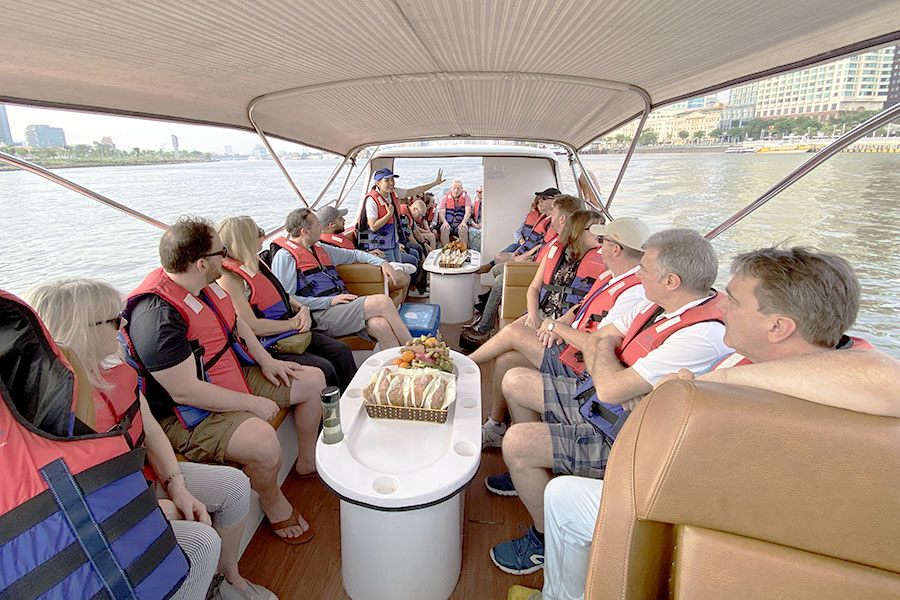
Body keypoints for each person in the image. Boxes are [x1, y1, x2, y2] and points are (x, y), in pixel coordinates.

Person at [537, 246, 900, 600]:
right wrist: (674, 394)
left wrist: (697, 387)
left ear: (778, 326)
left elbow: (888, 379)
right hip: (695, 489)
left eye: (735, 300)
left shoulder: (849, 381)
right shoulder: (748, 359)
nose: (721, 305)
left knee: (564, 498)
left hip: (727, 523)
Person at [486, 229, 730, 576]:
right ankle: (531, 471)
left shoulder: (701, 336)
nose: (638, 274)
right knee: (514, 380)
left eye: (645, 268)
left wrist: (607, 365)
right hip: (600, 406)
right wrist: (608, 364)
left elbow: (611, 385)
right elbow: (598, 344)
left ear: (672, 281)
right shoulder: (656, 306)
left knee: (518, 442)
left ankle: (543, 540)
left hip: (625, 439)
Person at [26, 278, 277, 600]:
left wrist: (177, 486)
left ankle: (227, 578)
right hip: (101, 511)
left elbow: (151, 432)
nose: (125, 324)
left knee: (234, 486)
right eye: (115, 320)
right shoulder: (45, 412)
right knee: (201, 542)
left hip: (140, 479)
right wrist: (153, 508)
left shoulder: (117, 374)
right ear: (81, 330)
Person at [123, 216, 322, 545]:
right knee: (262, 440)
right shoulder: (156, 317)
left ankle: (306, 459)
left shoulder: (204, 284)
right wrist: (252, 402)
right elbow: (184, 391)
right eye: (222, 252)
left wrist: (267, 360)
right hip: (183, 414)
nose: (227, 257)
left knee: (312, 379)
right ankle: (272, 502)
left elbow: (236, 323)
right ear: (202, 263)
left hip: (228, 373)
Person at [474, 217, 650, 449]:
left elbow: (598, 345)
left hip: (584, 367)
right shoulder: (613, 276)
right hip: (569, 346)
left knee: (514, 333)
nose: (599, 246)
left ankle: (463, 364)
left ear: (616, 249)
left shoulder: (633, 294)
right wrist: (562, 323)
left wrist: (555, 327)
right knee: (507, 360)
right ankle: (503, 430)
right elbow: (584, 308)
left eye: (603, 240)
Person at [216, 215, 357, 391]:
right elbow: (252, 326)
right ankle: (332, 414)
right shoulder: (229, 278)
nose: (262, 235)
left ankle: (355, 400)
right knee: (324, 367)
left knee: (341, 351)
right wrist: (292, 324)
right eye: (258, 232)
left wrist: (302, 308)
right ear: (245, 240)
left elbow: (282, 294)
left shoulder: (255, 262)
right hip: (269, 343)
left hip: (289, 331)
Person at [271, 207, 413, 348]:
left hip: (339, 308)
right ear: (305, 231)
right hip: (318, 316)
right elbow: (288, 300)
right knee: (382, 302)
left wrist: (382, 262)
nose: (321, 227)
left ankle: (399, 366)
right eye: (317, 224)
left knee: (380, 325)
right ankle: (416, 350)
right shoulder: (285, 257)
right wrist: (330, 301)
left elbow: (354, 254)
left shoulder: (319, 248)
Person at [460, 194, 581, 347]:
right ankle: (486, 313)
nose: (551, 216)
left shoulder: (566, 243)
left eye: (554, 212)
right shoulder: (558, 238)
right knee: (498, 270)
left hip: (534, 273)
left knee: (499, 281)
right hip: (535, 269)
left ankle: (484, 329)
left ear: (562, 218)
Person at [315, 205, 414, 302]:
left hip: (363, 272)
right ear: (332, 225)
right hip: (361, 279)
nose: (344, 220)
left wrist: (368, 253)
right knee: (403, 277)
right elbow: (347, 266)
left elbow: (352, 254)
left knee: (405, 274)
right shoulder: (329, 247)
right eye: (341, 219)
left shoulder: (334, 240)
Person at [356, 167, 444, 263]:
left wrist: (434, 183)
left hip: (394, 242)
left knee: (400, 268)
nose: (391, 183)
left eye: (392, 179)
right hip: (381, 246)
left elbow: (414, 191)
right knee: (396, 272)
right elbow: (373, 226)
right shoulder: (372, 201)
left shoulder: (394, 193)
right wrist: (389, 214)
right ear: (378, 183)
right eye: (387, 180)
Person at [437, 179, 473, 246]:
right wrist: (444, 222)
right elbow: (441, 213)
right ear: (451, 188)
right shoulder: (444, 198)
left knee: (463, 229)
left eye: (458, 188)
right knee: (444, 229)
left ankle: (462, 250)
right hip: (448, 223)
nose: (456, 190)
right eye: (454, 188)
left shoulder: (466, 198)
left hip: (460, 222)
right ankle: (446, 250)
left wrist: (464, 222)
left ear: (462, 189)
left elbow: (468, 212)